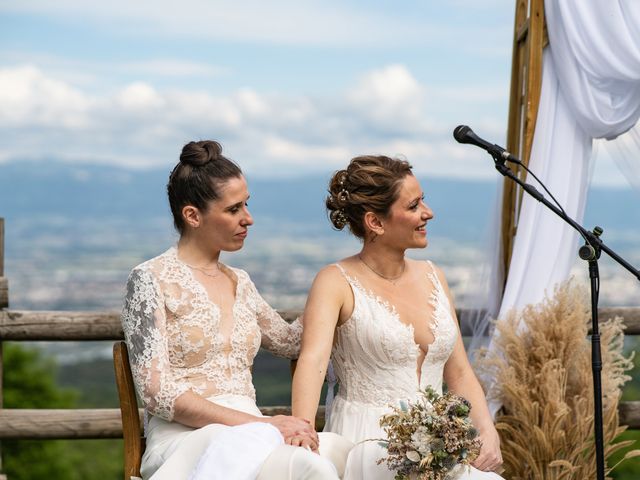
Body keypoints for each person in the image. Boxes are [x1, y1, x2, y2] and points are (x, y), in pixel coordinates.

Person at [121, 140, 348, 480]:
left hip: (253, 432)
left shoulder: (240, 281)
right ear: (192, 215)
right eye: (233, 209)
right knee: (307, 465)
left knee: (335, 449)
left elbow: (290, 342)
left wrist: (337, 286)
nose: (249, 219)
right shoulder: (149, 279)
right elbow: (158, 394)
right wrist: (265, 423)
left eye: (247, 205)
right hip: (187, 436)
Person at [291, 155, 504, 479]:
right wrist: (304, 441)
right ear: (375, 222)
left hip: (437, 446)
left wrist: (486, 430)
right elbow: (313, 362)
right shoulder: (335, 281)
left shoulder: (435, 276)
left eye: (423, 201)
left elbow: (459, 371)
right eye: (414, 205)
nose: (428, 213)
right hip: (366, 442)